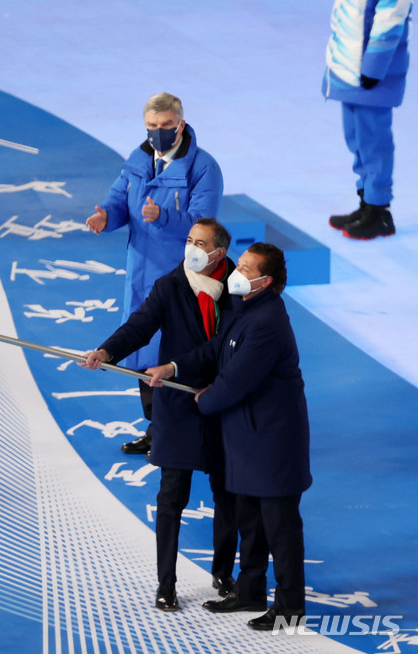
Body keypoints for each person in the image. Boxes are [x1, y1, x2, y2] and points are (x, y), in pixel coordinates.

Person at [147, 243, 312, 631]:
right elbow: (214, 350)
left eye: (248, 267)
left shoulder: (267, 322)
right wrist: (173, 367)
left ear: (265, 281)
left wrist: (202, 401)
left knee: (281, 530)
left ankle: (290, 610)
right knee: (251, 522)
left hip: (272, 445)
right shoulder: (244, 310)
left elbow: (236, 381)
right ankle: (250, 590)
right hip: (245, 439)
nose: (239, 271)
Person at [82, 218, 238, 612]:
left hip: (220, 402)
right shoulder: (170, 284)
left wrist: (174, 368)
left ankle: (223, 573)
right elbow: (140, 325)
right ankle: (165, 584)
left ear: (219, 253)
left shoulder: (236, 286)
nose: (191, 248)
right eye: (189, 240)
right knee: (172, 497)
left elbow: (225, 344)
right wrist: (106, 351)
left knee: (227, 495)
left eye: (200, 243)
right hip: (178, 405)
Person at [86, 93, 223, 457]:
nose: (157, 133)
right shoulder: (137, 162)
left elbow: (204, 225)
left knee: (176, 355)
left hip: (180, 279)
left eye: (164, 126)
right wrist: (106, 218)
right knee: (143, 356)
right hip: (141, 273)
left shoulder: (203, 168)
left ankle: (189, 430)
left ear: (180, 124)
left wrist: (163, 217)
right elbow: (117, 202)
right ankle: (157, 428)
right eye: (151, 127)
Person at [324, 0, 413, 240]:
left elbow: (393, 11)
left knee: (374, 138)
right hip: (346, 62)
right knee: (355, 136)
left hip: (372, 67)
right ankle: (365, 203)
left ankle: (380, 211)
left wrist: (374, 66)